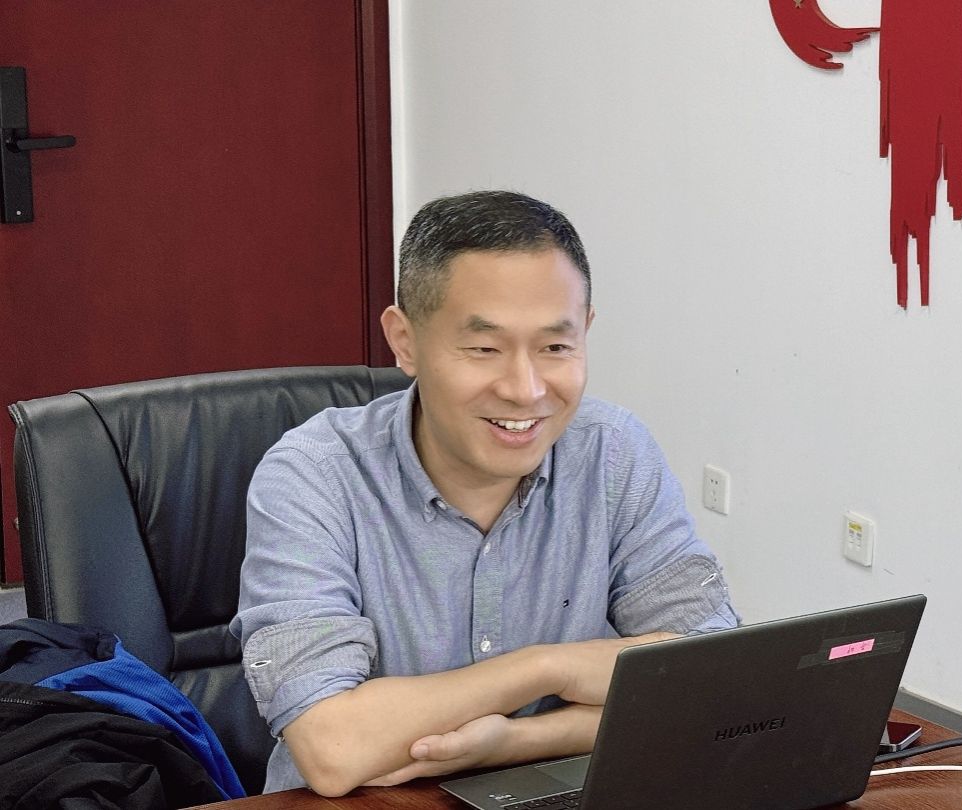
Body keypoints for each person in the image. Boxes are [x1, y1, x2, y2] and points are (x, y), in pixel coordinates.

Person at [230, 190, 740, 796]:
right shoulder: (314, 475)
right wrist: (543, 669)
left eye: (556, 347)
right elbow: (334, 748)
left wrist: (518, 740)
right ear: (404, 341)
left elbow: (717, 683)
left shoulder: (614, 452)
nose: (526, 390)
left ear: (586, 331)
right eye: (484, 348)